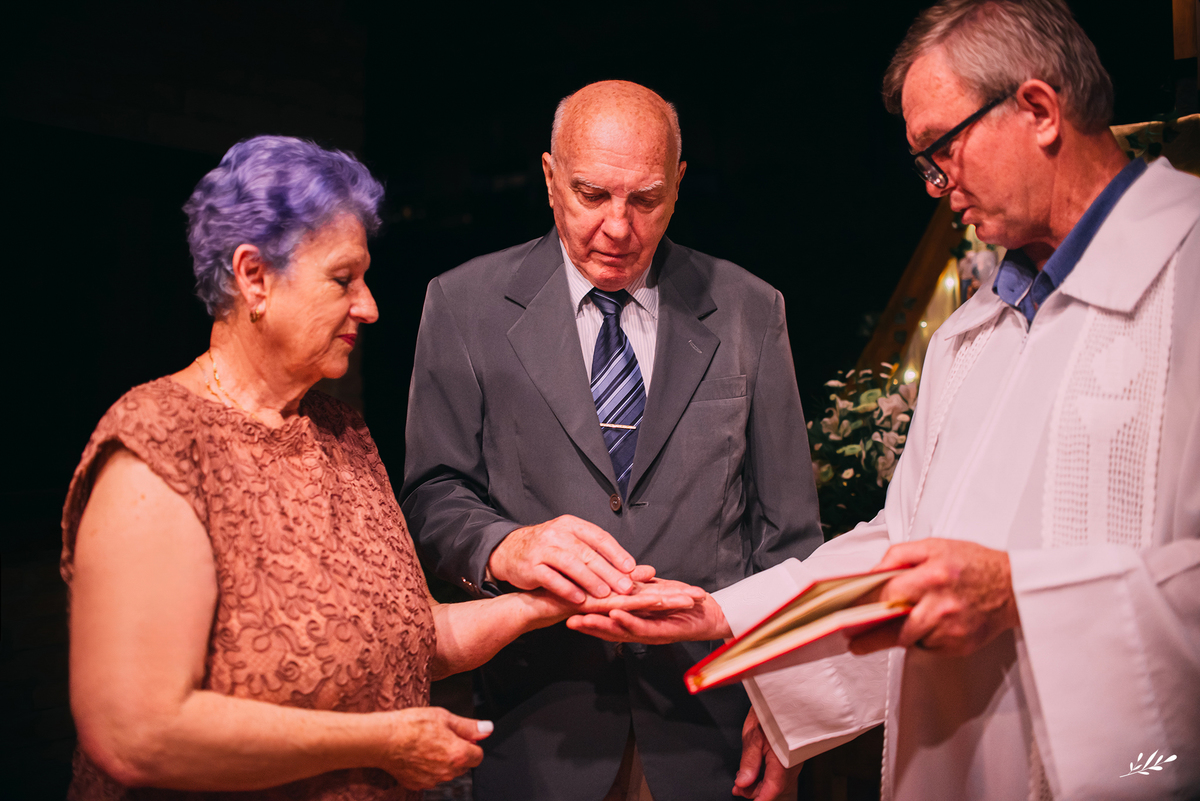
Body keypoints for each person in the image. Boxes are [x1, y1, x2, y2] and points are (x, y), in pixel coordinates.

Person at [570, 2, 1200, 799]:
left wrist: (1019, 597)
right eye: (924, 164)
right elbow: (900, 543)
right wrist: (727, 615)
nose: (939, 189)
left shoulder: (1188, 271)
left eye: (943, 151)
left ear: (1038, 110)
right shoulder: (969, 334)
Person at [60, 135, 701, 801]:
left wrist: (550, 599)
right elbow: (136, 732)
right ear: (253, 276)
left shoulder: (342, 433)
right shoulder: (158, 447)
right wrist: (384, 741)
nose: (368, 306)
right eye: (343, 279)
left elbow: (413, 634)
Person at [400, 80, 823, 801]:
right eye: (592, 195)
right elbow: (435, 493)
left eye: (646, 200)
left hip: (711, 732)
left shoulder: (752, 310)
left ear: (679, 186)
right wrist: (505, 546)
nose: (619, 228)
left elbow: (789, 535)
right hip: (538, 725)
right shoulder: (463, 304)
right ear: (549, 178)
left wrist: (787, 701)